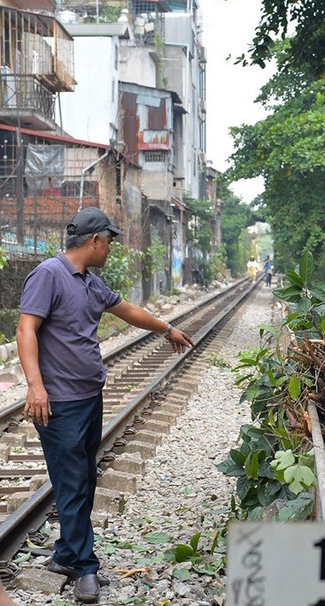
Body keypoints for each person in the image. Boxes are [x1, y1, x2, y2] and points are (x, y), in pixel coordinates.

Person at [15, 207, 195, 604]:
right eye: (110, 241)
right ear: (95, 240)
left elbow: (127, 310)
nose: (111, 247)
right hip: (58, 401)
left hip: (88, 396)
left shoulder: (89, 282)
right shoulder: (49, 274)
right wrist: (35, 388)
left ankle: (65, 555)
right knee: (73, 481)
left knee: (84, 478)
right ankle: (85, 568)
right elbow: (26, 329)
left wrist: (167, 329)